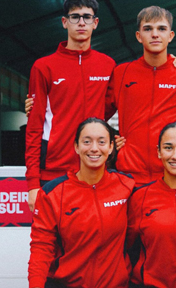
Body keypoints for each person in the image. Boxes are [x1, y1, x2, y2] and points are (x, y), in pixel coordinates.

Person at [25, 0, 116, 212]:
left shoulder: (108, 65)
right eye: (75, 17)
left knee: (93, 240)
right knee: (51, 242)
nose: (81, 23)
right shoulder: (43, 67)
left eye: (87, 17)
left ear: (96, 23)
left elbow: (110, 109)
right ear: (65, 22)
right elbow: (34, 128)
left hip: (96, 171)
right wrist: (32, 184)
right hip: (55, 173)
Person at [28, 118, 135, 288]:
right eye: (87, 141)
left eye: (101, 142)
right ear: (76, 147)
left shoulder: (127, 185)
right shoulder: (52, 193)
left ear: (111, 147)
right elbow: (41, 249)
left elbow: (160, 192)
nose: (94, 148)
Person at [105, 6, 176, 186]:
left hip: (171, 176)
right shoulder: (121, 73)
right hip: (130, 176)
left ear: (171, 36)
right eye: (148, 29)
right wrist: (111, 141)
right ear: (138, 36)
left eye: (161, 29)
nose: (155, 34)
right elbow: (96, 115)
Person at [126, 122, 176, 287]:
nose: (175, 156)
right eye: (168, 148)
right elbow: (126, 247)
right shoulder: (140, 197)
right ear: (159, 152)